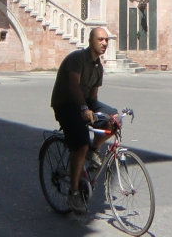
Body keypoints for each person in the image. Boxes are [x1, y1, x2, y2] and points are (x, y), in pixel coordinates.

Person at [50, 27, 117, 213]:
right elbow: (73, 86)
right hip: (65, 104)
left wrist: (100, 115)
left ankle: (94, 149)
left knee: (114, 119)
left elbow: (93, 96)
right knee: (80, 143)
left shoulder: (98, 66)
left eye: (106, 40)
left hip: (84, 103)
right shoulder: (77, 58)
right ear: (91, 41)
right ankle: (73, 192)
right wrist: (83, 109)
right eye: (100, 39)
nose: (104, 43)